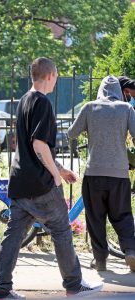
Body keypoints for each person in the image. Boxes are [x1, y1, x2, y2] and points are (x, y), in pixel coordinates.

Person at [0, 57, 103, 299]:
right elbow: (39, 144)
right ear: (49, 75)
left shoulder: (24, 101)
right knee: (62, 231)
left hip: (20, 181)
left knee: (14, 235)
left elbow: (34, 149)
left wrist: (60, 169)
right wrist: (54, 175)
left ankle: (1, 289)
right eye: (57, 77)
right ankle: (74, 285)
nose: (56, 81)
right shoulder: (42, 103)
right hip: (40, 185)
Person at [68, 75, 135, 272]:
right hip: (119, 175)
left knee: (95, 218)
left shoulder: (89, 107)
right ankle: (130, 251)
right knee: (123, 216)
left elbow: (72, 133)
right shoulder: (127, 109)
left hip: (94, 173)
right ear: (118, 92)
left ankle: (100, 260)